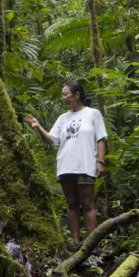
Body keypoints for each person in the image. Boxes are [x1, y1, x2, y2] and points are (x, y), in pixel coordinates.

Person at [27, 81, 107, 248]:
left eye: (65, 94)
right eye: (62, 95)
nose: (63, 98)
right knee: (71, 204)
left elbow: (100, 138)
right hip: (65, 165)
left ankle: (92, 244)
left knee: (87, 203)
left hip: (85, 164)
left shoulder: (93, 114)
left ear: (76, 95)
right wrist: (38, 127)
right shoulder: (63, 118)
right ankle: (76, 243)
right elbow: (51, 139)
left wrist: (100, 162)